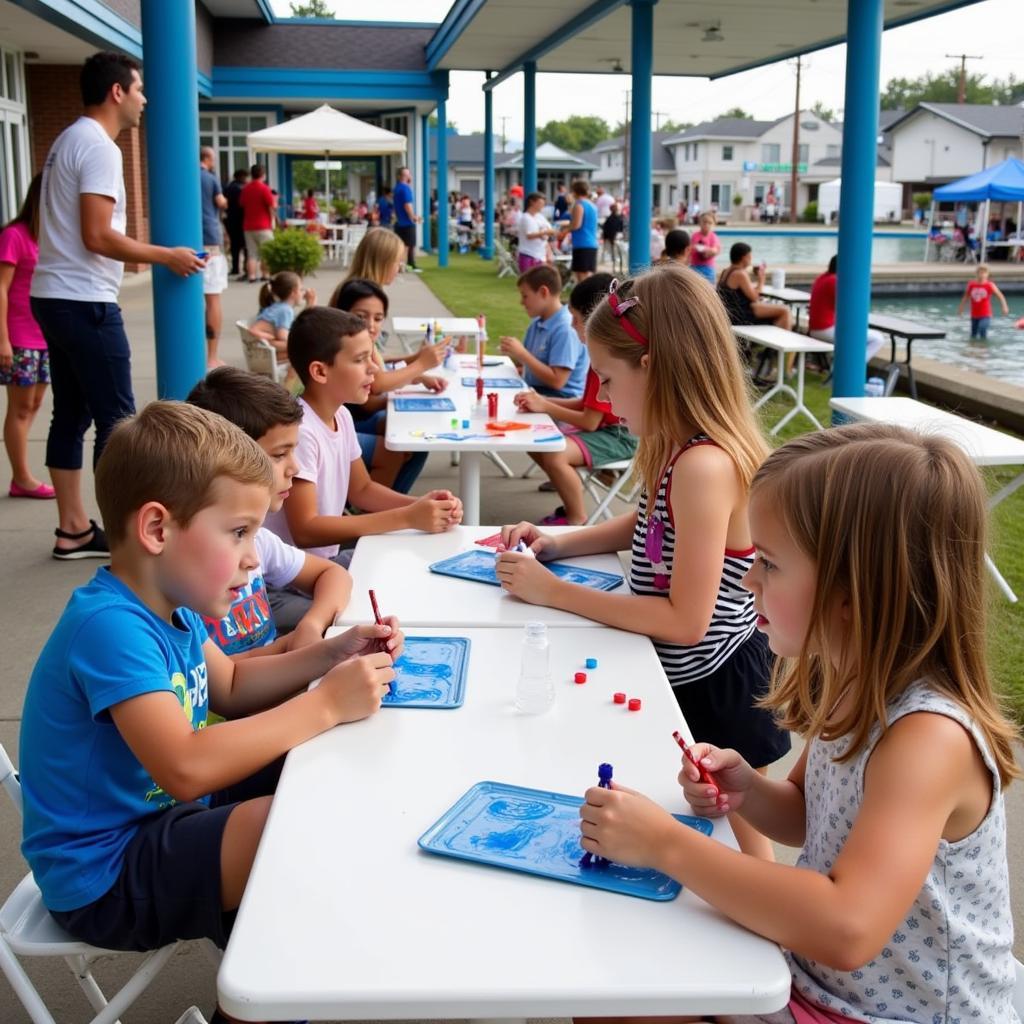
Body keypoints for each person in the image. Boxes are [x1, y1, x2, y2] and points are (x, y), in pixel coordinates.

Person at [578, 423, 1021, 1024]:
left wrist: (665, 844)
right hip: (821, 983)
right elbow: (811, 814)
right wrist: (748, 791)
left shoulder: (928, 739)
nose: (749, 579)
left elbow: (847, 926)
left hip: (894, 1015)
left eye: (768, 562)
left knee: (616, 1002)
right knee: (611, 984)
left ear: (850, 590)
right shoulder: (853, 686)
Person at [18, 402, 400, 1024]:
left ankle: (280, 986)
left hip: (156, 824)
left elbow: (231, 684)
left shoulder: (172, 603)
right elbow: (187, 768)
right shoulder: (110, 628)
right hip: (103, 872)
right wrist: (326, 705)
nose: (254, 558)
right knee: (293, 828)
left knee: (308, 777)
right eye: (239, 532)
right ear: (157, 530)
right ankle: (272, 996)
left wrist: (332, 654)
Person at [496, 265, 790, 858]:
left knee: (737, 833)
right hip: (682, 673)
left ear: (652, 369)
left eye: (607, 379)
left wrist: (552, 592)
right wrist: (560, 544)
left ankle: (766, 946)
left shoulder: (704, 466)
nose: (601, 397)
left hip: (715, 684)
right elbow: (647, 523)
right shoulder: (677, 447)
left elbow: (687, 621)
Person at [30, 51, 205, 561]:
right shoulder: (100, 147)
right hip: (84, 300)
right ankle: (127, 541)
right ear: (117, 92)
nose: (146, 98)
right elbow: (97, 235)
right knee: (120, 423)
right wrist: (166, 256)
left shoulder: (65, 140)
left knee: (71, 415)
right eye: (139, 88)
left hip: (53, 295)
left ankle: (74, 531)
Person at [266, 307, 463, 563]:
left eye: (371, 357)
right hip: (292, 575)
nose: (373, 369)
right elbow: (305, 529)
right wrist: (407, 517)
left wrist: (421, 504)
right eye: (360, 359)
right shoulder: (301, 432)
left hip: (320, 563)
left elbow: (362, 489)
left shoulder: (341, 416)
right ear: (320, 372)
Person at [186, 367, 354, 644]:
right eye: (279, 455)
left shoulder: (260, 540)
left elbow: (331, 572)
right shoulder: (189, 569)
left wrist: (312, 625)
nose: (295, 467)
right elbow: (230, 681)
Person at [513, 273, 637, 527]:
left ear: (596, 320)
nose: (571, 326)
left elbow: (590, 421)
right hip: (610, 430)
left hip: (621, 437)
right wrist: (542, 400)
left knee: (554, 453)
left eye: (576, 319)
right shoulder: (599, 358)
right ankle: (567, 495)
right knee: (537, 436)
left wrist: (546, 405)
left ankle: (576, 516)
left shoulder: (606, 363)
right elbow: (586, 405)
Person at [331, 278, 441, 493]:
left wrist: (413, 374)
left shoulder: (362, 342)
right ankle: (373, 513)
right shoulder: (341, 346)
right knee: (392, 450)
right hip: (338, 425)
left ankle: (388, 507)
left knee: (413, 439)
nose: (371, 325)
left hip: (348, 420)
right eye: (360, 317)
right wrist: (419, 366)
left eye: (378, 318)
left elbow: (377, 384)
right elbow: (375, 393)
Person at [1, 174, 54, 499]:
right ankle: (22, 478)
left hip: (46, 337)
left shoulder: (48, 237)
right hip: (20, 338)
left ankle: (22, 476)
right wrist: (2, 339)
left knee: (33, 405)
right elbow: (1, 290)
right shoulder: (14, 235)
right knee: (20, 409)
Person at [499, 264, 589, 400]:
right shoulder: (538, 322)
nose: (521, 302)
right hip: (537, 394)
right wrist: (514, 356)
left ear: (543, 292)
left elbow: (558, 381)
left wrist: (522, 354)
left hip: (560, 401)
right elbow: (531, 365)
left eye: (525, 296)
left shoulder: (565, 328)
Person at [808, 255, 885, 361]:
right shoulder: (835, 281)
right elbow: (850, 308)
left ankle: (846, 362)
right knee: (877, 339)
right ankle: (856, 368)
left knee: (857, 336)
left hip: (815, 329)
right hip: (826, 330)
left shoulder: (822, 277)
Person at [251, 271, 315, 378]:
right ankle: (291, 386)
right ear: (293, 292)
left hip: (260, 350)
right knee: (305, 349)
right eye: (301, 289)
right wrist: (311, 306)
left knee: (302, 349)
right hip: (266, 351)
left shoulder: (279, 306)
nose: (303, 293)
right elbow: (283, 336)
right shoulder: (285, 310)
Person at [717, 242, 793, 332]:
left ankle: (770, 342)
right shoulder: (740, 273)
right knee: (785, 310)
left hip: (730, 313)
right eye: (750, 256)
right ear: (744, 258)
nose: (751, 259)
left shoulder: (726, 271)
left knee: (775, 309)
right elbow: (755, 297)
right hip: (740, 316)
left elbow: (746, 293)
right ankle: (779, 343)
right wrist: (761, 280)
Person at [199, 147, 229, 369]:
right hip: (210, 239)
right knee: (213, 299)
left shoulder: (186, 176)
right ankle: (211, 356)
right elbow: (221, 202)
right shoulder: (210, 178)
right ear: (207, 159)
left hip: (186, 240)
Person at [240, 163, 276, 284]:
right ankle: (265, 274)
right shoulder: (264, 188)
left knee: (252, 253)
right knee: (267, 251)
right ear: (263, 174)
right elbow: (272, 205)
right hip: (263, 225)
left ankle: (252, 276)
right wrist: (273, 220)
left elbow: (242, 204)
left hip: (248, 225)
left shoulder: (246, 188)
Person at [958, 263, 1009, 341]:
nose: (982, 275)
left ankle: (983, 347)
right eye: (980, 272)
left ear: (988, 274)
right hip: (974, 314)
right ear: (976, 274)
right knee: (973, 334)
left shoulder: (990, 285)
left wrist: (1004, 307)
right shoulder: (971, 284)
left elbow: (1000, 296)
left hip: (985, 314)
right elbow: (965, 297)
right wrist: (961, 308)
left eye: (984, 273)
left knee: (982, 329)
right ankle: (974, 348)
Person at [566, 179, 599, 282]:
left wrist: (564, 230)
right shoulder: (592, 205)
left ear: (574, 191)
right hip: (591, 242)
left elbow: (576, 225)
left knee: (581, 276)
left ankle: (584, 297)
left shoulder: (579, 205)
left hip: (582, 242)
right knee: (588, 274)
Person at [393, 166, 422, 272]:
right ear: (404, 176)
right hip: (406, 222)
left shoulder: (397, 188)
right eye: (408, 174)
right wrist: (413, 217)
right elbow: (407, 205)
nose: (410, 176)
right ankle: (409, 265)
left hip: (399, 221)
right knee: (409, 245)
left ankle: (401, 265)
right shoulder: (405, 189)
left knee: (402, 245)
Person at [517, 191, 555, 272]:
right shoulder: (526, 217)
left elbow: (549, 233)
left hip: (541, 255)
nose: (543, 206)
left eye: (543, 203)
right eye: (540, 203)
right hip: (528, 254)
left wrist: (549, 252)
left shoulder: (540, 217)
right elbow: (530, 235)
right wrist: (544, 232)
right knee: (528, 282)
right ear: (532, 202)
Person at [224, 167, 249, 278]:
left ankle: (235, 268)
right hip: (243, 220)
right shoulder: (244, 189)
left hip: (230, 220)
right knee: (246, 246)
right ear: (242, 177)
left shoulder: (228, 188)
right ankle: (246, 268)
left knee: (234, 245)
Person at [688, 211, 721, 283]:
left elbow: (715, 250)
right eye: (704, 222)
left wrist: (708, 251)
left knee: (709, 287)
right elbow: (691, 248)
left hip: (708, 267)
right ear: (700, 223)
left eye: (710, 223)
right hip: (695, 266)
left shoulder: (713, 237)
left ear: (714, 225)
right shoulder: (695, 235)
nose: (707, 225)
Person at [600, 202, 624, 269]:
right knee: (616, 256)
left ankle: (616, 269)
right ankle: (616, 269)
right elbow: (610, 229)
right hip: (614, 239)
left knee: (616, 256)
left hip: (613, 239)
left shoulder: (612, 218)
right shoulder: (614, 218)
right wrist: (612, 239)